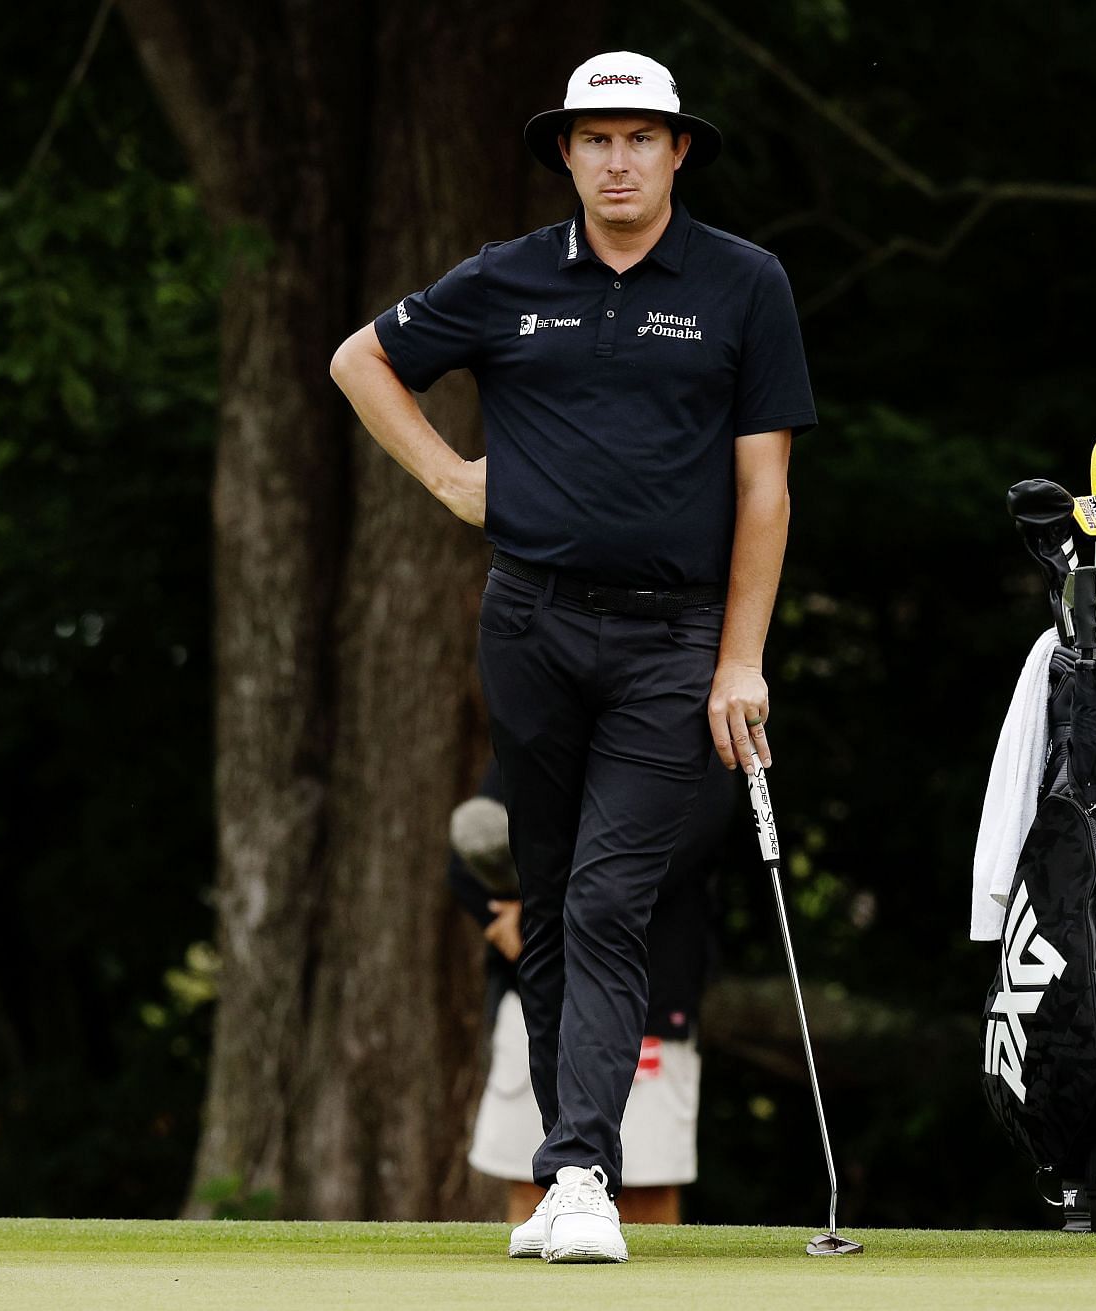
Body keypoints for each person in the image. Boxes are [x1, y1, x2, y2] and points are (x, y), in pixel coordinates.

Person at [330, 49, 815, 1264]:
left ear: (677, 150)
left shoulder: (742, 284)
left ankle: (583, 1172)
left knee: (610, 891)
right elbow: (360, 359)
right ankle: (570, 1169)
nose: (617, 158)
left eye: (640, 136)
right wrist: (448, 479)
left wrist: (742, 659)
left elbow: (767, 492)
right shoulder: (508, 278)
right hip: (531, 624)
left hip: (678, 636)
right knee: (549, 899)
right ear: (566, 152)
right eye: (595, 138)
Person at [449, 757, 731, 1228]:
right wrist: (512, 920)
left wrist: (548, 910)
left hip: (652, 1002)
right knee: (532, 1186)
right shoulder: (550, 703)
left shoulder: (685, 716)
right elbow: (470, 849)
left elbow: (676, 851)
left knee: (644, 1189)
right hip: (537, 1001)